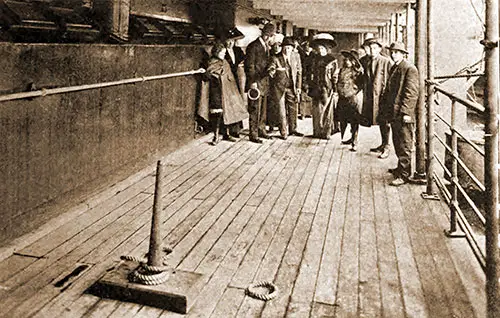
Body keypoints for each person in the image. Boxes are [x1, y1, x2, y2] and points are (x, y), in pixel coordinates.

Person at [383, 42, 419, 186]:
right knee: (397, 141)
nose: (393, 54)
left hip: (403, 113)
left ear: (403, 54)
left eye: (397, 52)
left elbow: (411, 93)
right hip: (394, 112)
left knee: (405, 143)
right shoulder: (395, 67)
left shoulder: (410, 69)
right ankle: (400, 168)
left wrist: (406, 113)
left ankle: (404, 175)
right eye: (392, 52)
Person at [199, 43, 248, 145]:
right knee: (217, 113)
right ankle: (216, 136)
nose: (223, 54)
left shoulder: (225, 62)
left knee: (227, 112)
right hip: (215, 90)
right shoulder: (211, 62)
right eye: (222, 52)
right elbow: (207, 76)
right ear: (217, 52)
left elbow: (229, 77)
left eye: (224, 53)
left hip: (226, 91)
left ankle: (226, 134)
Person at [361, 37, 393, 159]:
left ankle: (386, 147)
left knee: (385, 122)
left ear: (379, 49)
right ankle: (383, 144)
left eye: (375, 48)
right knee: (380, 120)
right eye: (370, 48)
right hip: (372, 96)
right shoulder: (367, 61)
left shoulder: (385, 61)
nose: (372, 50)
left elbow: (391, 79)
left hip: (384, 97)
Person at [244, 23, 276, 143]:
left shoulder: (267, 47)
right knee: (254, 108)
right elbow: (249, 67)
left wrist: (271, 68)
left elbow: (267, 62)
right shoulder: (253, 46)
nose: (272, 39)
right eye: (271, 36)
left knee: (263, 109)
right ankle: (253, 134)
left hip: (264, 82)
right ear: (266, 35)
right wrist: (253, 83)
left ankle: (261, 130)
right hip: (256, 83)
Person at [268, 36, 304, 139]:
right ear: (282, 47)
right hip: (279, 88)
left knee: (293, 109)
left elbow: (299, 72)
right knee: (281, 111)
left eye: (289, 48)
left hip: (292, 87)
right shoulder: (276, 57)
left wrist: (298, 87)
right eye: (285, 47)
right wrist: (271, 71)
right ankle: (283, 132)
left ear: (293, 48)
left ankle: (293, 129)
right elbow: (271, 66)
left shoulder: (296, 56)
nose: (287, 50)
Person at [307, 33, 338, 139]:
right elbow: (309, 72)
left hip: (326, 87)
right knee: (316, 110)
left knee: (327, 110)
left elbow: (334, 76)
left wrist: (335, 89)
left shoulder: (332, 60)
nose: (320, 50)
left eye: (322, 48)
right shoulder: (314, 59)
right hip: (315, 87)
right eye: (319, 48)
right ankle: (317, 131)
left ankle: (326, 132)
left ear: (326, 48)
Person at [337, 49, 364, 151]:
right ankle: (347, 138)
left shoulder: (357, 71)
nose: (347, 61)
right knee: (343, 119)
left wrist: (355, 91)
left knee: (354, 120)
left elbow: (361, 84)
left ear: (353, 61)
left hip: (352, 98)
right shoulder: (342, 70)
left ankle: (354, 142)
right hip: (342, 98)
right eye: (346, 59)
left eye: (349, 60)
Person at [223, 27, 246, 138]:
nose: (230, 43)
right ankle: (228, 130)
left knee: (237, 103)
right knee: (229, 105)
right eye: (228, 41)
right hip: (227, 81)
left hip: (237, 80)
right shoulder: (221, 52)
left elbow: (242, 63)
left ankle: (236, 129)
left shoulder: (238, 51)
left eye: (232, 41)